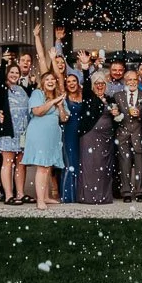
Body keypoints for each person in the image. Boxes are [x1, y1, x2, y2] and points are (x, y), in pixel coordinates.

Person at [23, 72, 69, 210]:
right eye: (47, 79)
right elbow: (37, 112)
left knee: (48, 166)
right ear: (42, 82)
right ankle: (40, 200)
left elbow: (64, 118)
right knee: (42, 166)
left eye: (52, 79)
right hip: (39, 134)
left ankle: (46, 196)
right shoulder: (38, 94)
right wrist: (53, 102)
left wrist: (60, 105)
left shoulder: (59, 96)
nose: (50, 81)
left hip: (53, 135)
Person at [0, 63, 31, 206]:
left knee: (21, 164)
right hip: (9, 131)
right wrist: (3, 62)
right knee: (7, 163)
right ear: (6, 74)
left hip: (23, 132)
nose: (14, 75)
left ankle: (20, 194)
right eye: (11, 72)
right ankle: (8, 195)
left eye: (17, 72)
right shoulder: (2, 89)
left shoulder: (23, 89)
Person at [77, 73, 116, 205]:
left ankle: (103, 196)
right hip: (90, 136)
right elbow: (86, 86)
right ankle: (89, 197)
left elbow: (117, 118)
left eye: (102, 83)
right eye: (97, 84)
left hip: (107, 138)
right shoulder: (89, 97)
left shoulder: (110, 99)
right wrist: (85, 68)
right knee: (90, 165)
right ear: (93, 86)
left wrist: (117, 114)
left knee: (105, 167)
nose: (100, 86)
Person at [112, 70, 142, 203]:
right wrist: (115, 114)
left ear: (137, 80)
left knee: (140, 165)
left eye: (134, 79)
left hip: (139, 134)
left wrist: (140, 115)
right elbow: (115, 114)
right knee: (124, 164)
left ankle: (140, 192)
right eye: (129, 80)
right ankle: (126, 192)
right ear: (125, 82)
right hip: (123, 134)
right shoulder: (117, 96)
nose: (132, 82)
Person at [61, 73, 85, 203]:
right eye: (68, 81)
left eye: (73, 81)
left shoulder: (84, 96)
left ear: (77, 83)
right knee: (70, 163)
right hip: (69, 132)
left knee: (82, 163)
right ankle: (68, 196)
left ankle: (81, 194)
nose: (71, 84)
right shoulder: (64, 98)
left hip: (83, 134)